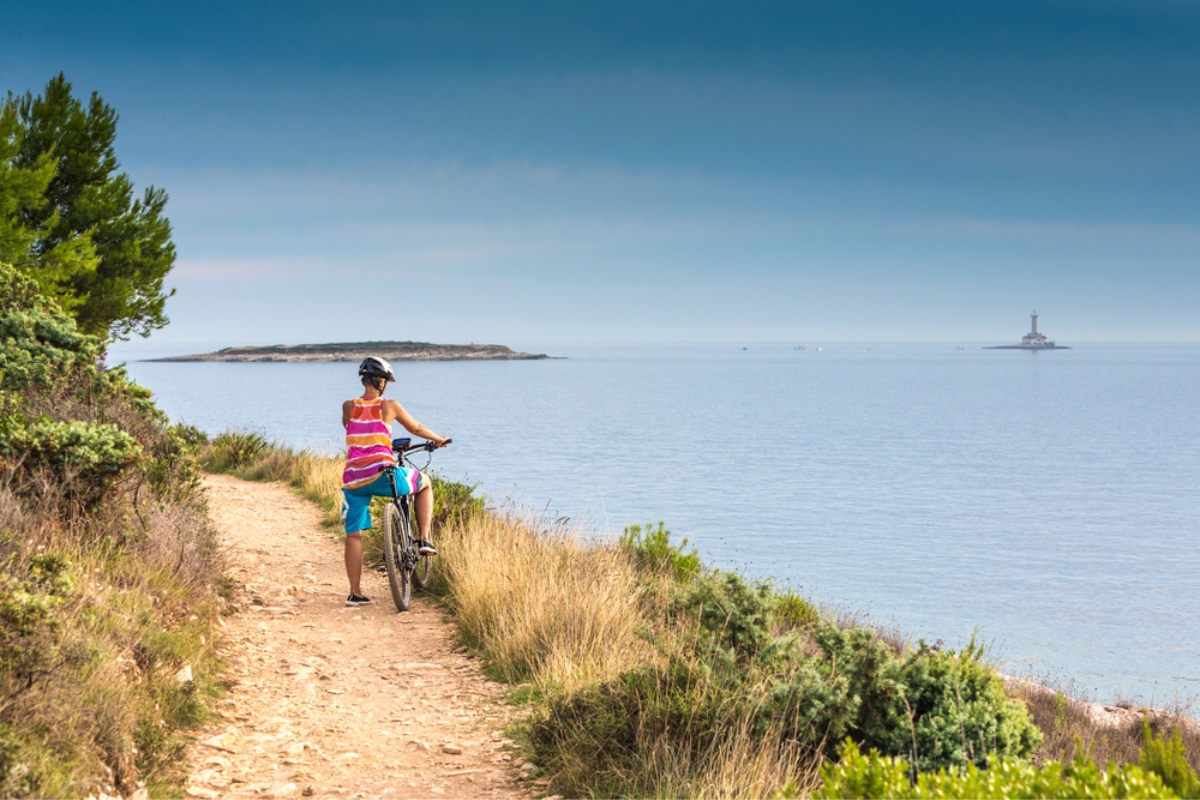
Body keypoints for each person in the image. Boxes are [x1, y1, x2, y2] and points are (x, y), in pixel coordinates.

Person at [340, 356, 450, 606]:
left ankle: (355, 594)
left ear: (363, 379)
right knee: (425, 482)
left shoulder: (348, 406)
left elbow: (350, 427)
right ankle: (423, 539)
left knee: (353, 535)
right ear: (382, 382)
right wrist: (439, 439)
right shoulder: (389, 405)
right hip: (383, 475)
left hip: (354, 480)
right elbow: (417, 428)